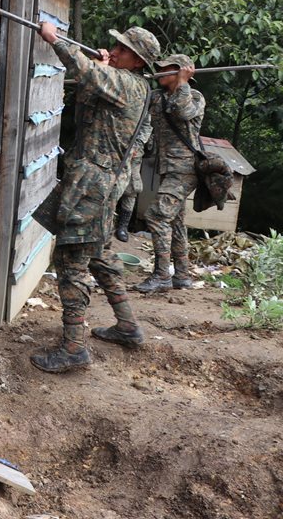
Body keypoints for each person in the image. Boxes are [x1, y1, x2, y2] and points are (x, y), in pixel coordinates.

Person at [30, 23, 159, 373]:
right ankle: (128, 326)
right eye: (115, 45)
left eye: (123, 50)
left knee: (71, 260)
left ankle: (74, 347)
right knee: (100, 255)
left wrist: (54, 40)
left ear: (137, 62)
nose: (113, 50)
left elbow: (84, 71)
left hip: (93, 186)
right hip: (99, 183)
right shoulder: (123, 83)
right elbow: (88, 103)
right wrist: (103, 67)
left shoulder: (130, 86)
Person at [136, 53, 204, 293]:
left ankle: (162, 276)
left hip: (185, 169)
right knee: (175, 222)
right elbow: (137, 99)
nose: (160, 71)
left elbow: (183, 112)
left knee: (156, 215)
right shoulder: (158, 97)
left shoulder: (194, 96)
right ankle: (182, 276)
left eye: (166, 68)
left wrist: (183, 83)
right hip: (168, 169)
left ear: (180, 72)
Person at [113, 121, 153, 242]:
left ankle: (123, 226)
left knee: (132, 188)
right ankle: (106, 224)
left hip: (134, 152)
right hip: (112, 148)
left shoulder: (143, 103)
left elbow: (147, 124)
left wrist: (137, 144)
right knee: (109, 185)